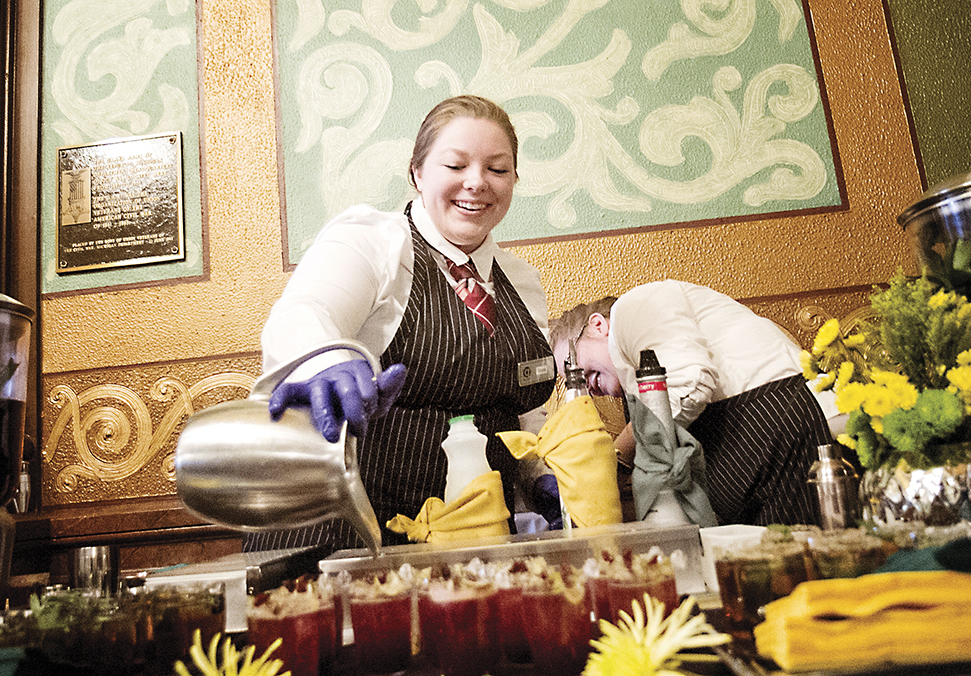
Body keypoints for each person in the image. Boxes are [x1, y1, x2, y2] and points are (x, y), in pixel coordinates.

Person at [245, 95, 557, 552]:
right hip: (340, 537)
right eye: (455, 165)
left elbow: (523, 416)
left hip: (471, 543)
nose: (477, 183)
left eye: (497, 169)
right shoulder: (375, 243)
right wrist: (327, 360)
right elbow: (305, 312)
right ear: (417, 173)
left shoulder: (522, 283)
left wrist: (541, 476)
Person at [549, 281, 837, 527]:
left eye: (574, 367)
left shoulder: (633, 307)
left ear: (598, 325)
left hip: (776, 412)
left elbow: (692, 382)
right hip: (761, 425)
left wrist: (622, 451)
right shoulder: (634, 382)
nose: (586, 386)